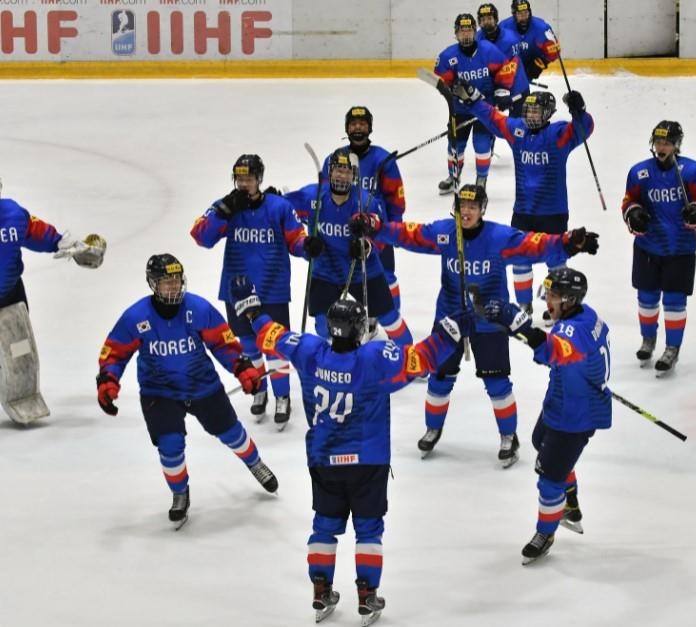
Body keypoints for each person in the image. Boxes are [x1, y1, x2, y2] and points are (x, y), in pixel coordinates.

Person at [227, 273, 474, 625]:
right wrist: (452, 330)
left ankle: (320, 590)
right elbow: (421, 359)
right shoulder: (374, 357)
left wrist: (251, 308)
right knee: (369, 529)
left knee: (324, 526)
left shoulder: (309, 350)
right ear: (360, 329)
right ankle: (367, 594)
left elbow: (271, 335)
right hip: (367, 461)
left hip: (324, 459)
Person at [351, 184, 598, 466]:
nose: (466, 211)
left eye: (472, 206)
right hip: (450, 317)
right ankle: (433, 429)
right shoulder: (445, 232)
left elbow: (535, 244)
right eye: (462, 206)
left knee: (497, 381)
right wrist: (374, 226)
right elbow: (409, 234)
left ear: (482, 209)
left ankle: (508, 437)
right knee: (439, 378)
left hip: (489, 320)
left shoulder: (499, 237)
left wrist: (568, 242)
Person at [95, 254, 278, 529]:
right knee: (170, 446)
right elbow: (115, 353)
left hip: (202, 385)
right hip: (160, 391)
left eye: (177, 280)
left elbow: (223, 344)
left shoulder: (198, 309)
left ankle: (255, 463)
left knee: (232, 433)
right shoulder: (136, 317)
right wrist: (108, 380)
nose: (173, 287)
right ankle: (180, 493)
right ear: (152, 284)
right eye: (166, 282)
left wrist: (243, 369)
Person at [481, 267, 612, 564]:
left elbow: (552, 352)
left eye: (552, 296)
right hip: (565, 400)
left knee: (549, 477)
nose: (547, 301)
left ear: (569, 299)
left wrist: (518, 324)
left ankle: (546, 532)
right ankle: (571, 503)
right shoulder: (587, 316)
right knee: (540, 441)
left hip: (574, 414)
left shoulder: (571, 330)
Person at [452, 79, 593, 326]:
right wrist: (473, 99)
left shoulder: (558, 134)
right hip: (524, 211)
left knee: (556, 260)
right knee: (520, 260)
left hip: (553, 212)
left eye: (536, 111)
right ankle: (524, 305)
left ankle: (555, 305)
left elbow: (584, 129)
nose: (531, 115)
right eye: (528, 111)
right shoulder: (518, 131)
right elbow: (493, 118)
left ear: (548, 113)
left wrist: (579, 111)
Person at [190, 154, 308, 428]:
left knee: (275, 346)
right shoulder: (227, 207)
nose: (244, 184)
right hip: (237, 289)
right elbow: (200, 237)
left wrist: (307, 246)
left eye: (249, 179)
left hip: (272, 288)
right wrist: (222, 211)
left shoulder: (279, 206)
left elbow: (296, 240)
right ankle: (258, 390)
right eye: (240, 179)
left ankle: (282, 396)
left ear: (259, 179)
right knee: (248, 346)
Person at [284, 148, 413, 349]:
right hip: (326, 270)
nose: (341, 175)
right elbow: (283, 212)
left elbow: (381, 236)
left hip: (363, 271)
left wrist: (367, 247)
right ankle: (336, 361)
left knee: (389, 317)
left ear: (353, 175)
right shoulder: (313, 195)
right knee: (323, 327)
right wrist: (305, 244)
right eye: (338, 170)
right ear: (330, 172)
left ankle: (411, 357)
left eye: (346, 171)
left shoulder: (365, 202)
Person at [0, 188, 105, 424]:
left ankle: (22, 394)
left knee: (20, 352)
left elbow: (38, 233)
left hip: (9, 296)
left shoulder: (12, 214)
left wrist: (66, 244)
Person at [620, 120, 696, 374]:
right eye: (658, 142)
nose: (661, 147)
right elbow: (629, 201)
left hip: (680, 248)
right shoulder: (640, 172)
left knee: (674, 301)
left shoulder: (693, 171)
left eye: (667, 142)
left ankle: (672, 348)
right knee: (647, 298)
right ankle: (648, 340)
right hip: (648, 245)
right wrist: (634, 213)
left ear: (676, 145)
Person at [326, 106, 407, 314]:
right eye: (353, 124)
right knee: (347, 277)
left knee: (386, 275)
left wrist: (394, 230)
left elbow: (395, 197)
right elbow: (324, 194)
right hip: (343, 230)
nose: (358, 127)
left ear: (370, 127)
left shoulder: (383, 160)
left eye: (362, 123)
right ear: (347, 128)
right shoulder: (334, 160)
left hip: (377, 230)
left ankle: (392, 317)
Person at [434, 12, 521, 194]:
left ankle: (481, 181)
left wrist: (502, 92)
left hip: (485, 108)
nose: (466, 35)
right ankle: (453, 177)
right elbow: (443, 83)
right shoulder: (447, 56)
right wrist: (453, 90)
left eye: (469, 30)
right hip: (460, 108)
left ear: (475, 32)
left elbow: (505, 69)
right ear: (456, 34)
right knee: (455, 145)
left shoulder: (488, 50)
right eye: (462, 31)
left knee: (482, 145)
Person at [476, 3, 530, 117]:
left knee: (517, 127)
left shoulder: (510, 39)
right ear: (479, 22)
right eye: (483, 19)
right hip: (490, 89)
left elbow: (510, 67)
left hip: (517, 87)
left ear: (495, 19)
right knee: (488, 128)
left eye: (489, 18)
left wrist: (502, 92)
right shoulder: (476, 39)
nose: (486, 22)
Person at [499, 0, 560, 84]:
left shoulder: (542, 27)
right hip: (512, 63)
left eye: (526, 13)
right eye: (520, 14)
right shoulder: (504, 27)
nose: (524, 17)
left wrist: (541, 62)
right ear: (514, 15)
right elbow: (495, 49)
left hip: (533, 62)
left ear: (530, 12)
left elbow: (555, 50)